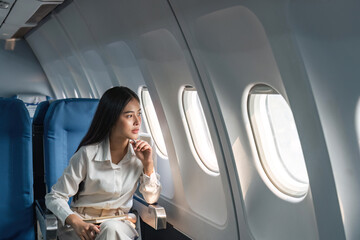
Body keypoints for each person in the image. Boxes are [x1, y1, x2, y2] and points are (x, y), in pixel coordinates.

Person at [45, 86, 161, 240]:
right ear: (111, 118)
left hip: (119, 224)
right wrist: (76, 222)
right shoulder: (87, 154)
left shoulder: (142, 153)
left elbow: (151, 199)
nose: (137, 121)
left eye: (139, 114)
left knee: (111, 229)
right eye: (129, 116)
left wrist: (148, 164)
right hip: (83, 226)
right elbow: (55, 197)